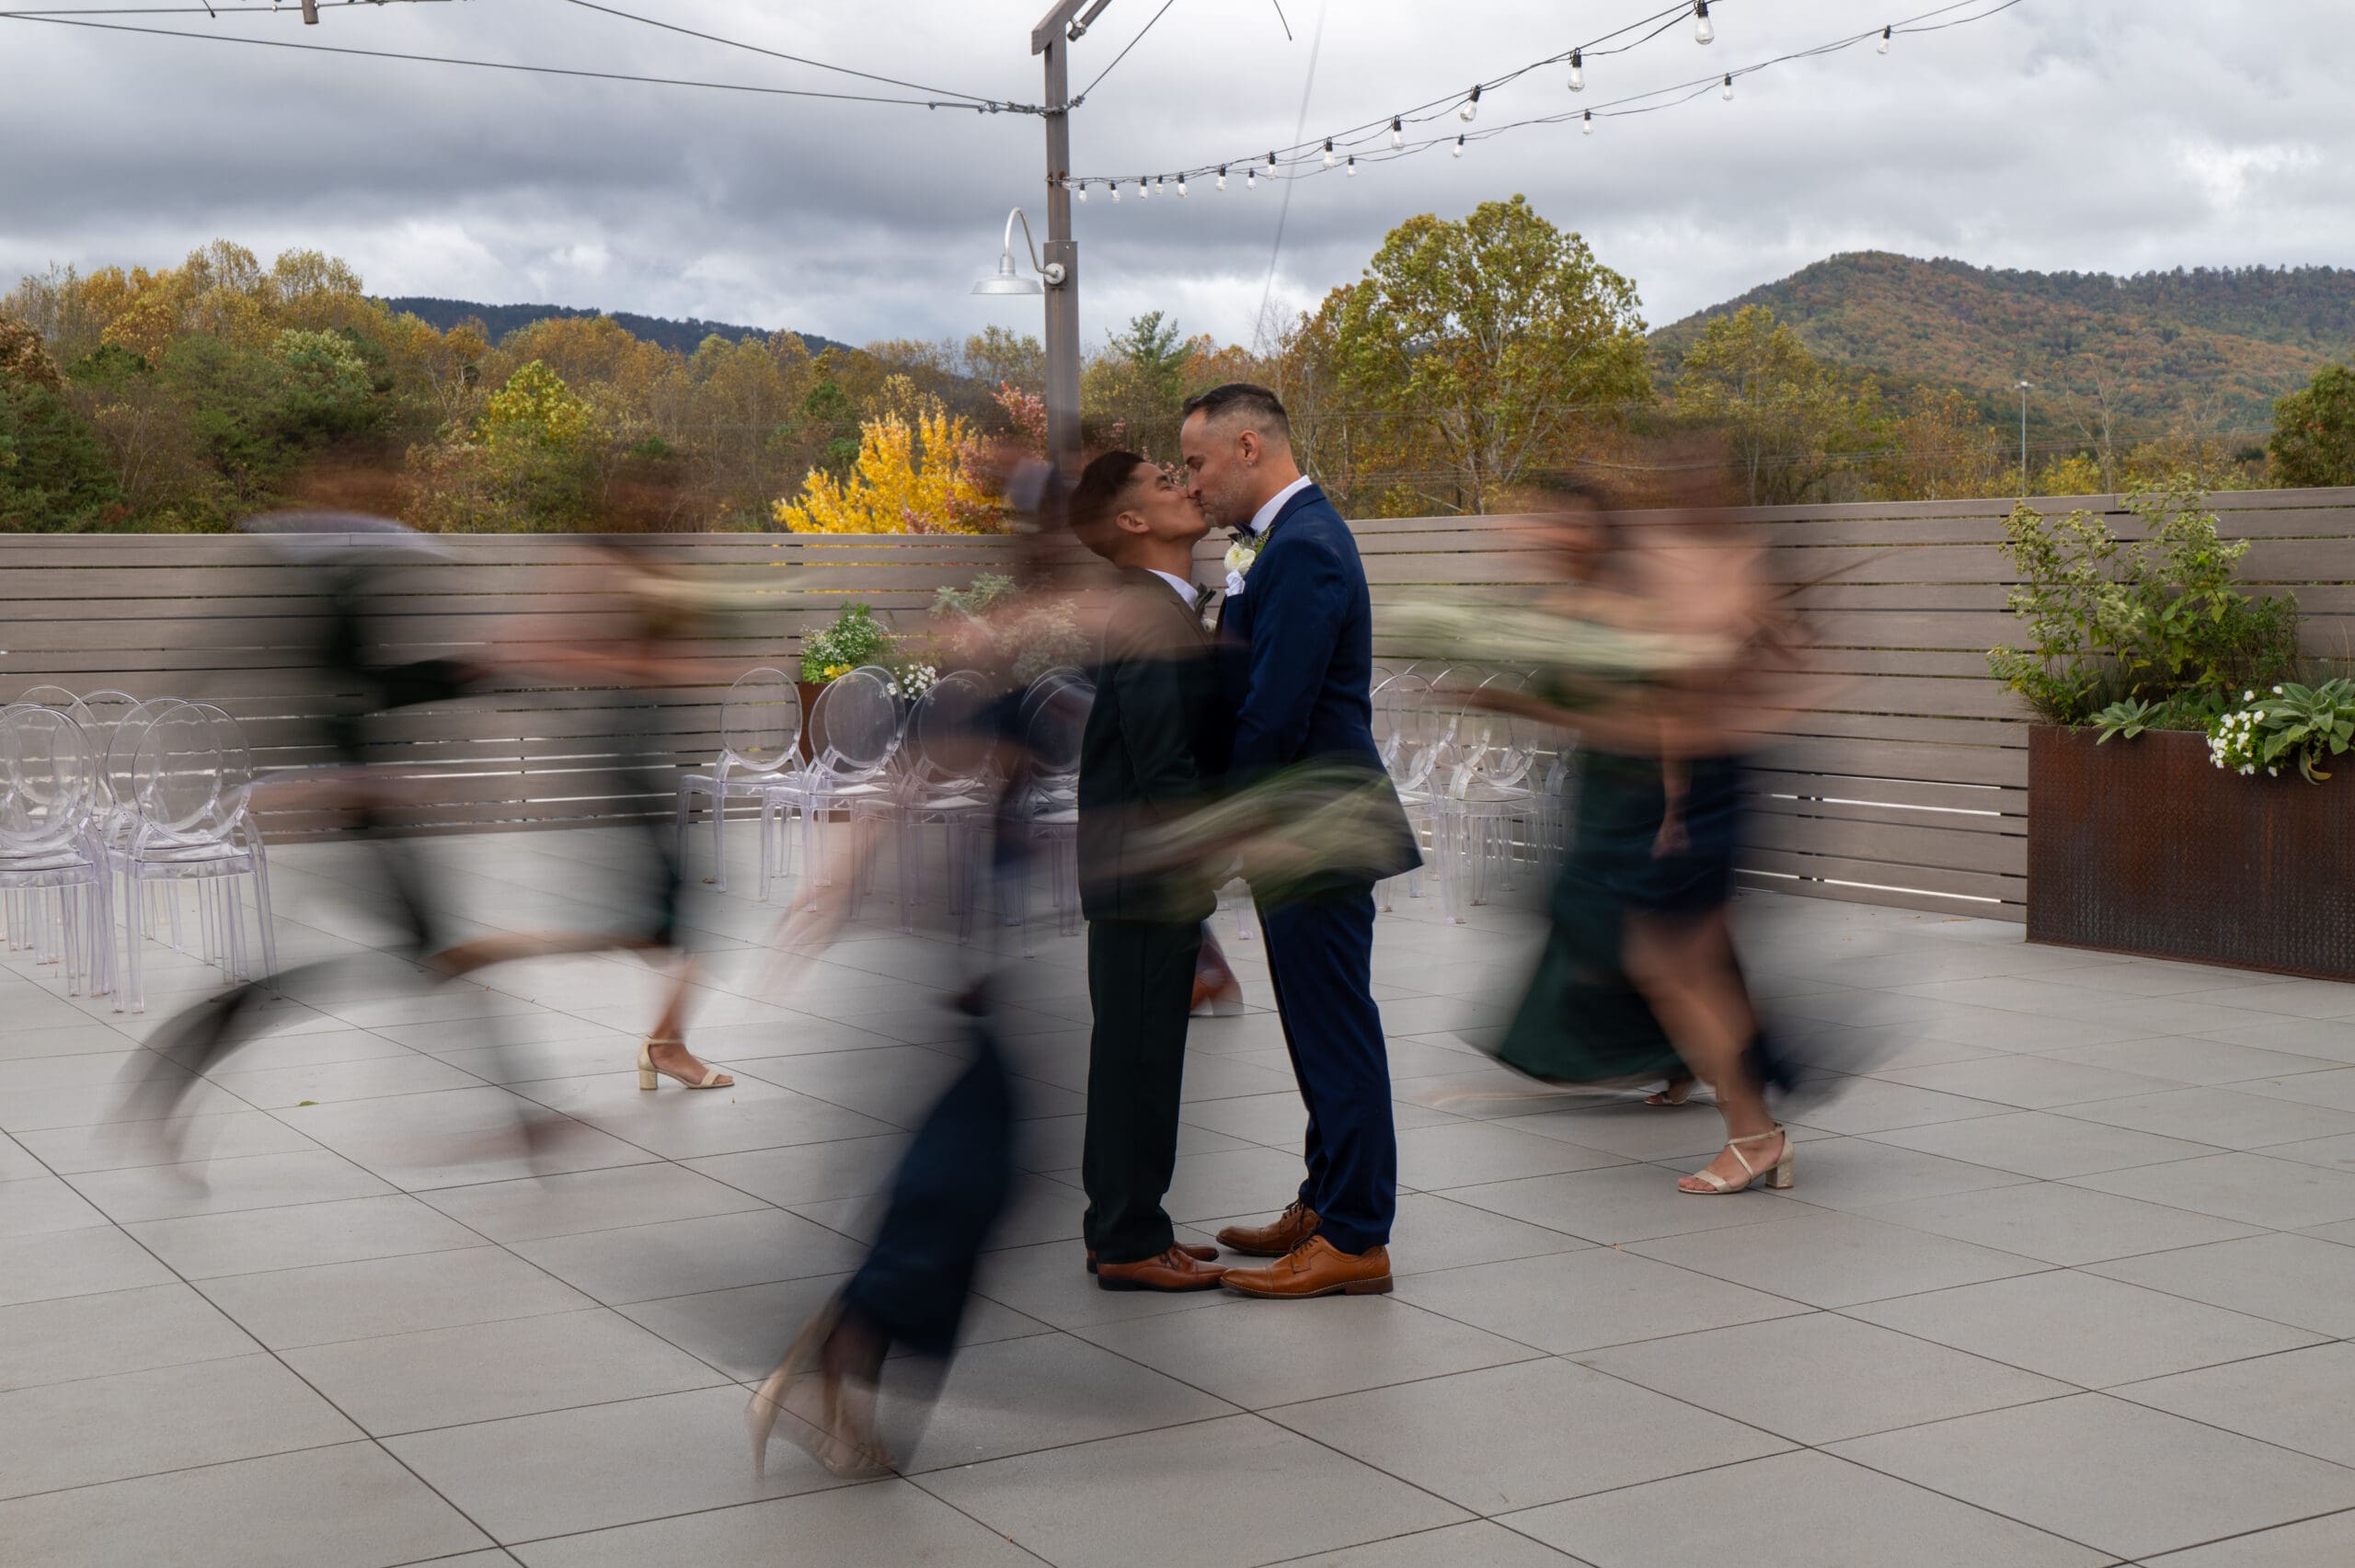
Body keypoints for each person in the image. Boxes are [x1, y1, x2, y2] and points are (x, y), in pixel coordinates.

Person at [1459, 486, 1799, 1195]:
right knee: (1672, 965)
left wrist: (1674, 806)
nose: (1546, 534)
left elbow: (1660, 708)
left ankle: (1754, 1129)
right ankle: (1738, 1111)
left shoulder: (1632, 601)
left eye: (1562, 520)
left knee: (1679, 966)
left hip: (1659, 795)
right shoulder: (1569, 607)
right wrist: (1505, 697)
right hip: (1631, 793)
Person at [1178, 383, 1419, 1299]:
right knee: (1320, 1023)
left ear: (1247, 447)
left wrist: (1223, 824)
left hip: (1315, 819)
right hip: (1303, 820)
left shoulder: (1308, 546)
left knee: (1335, 1028)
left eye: (1197, 463)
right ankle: (1324, 1201)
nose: (1193, 483)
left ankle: (1356, 1234)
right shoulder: (1275, 540)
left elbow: (1275, 708)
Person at [1065, 452, 1230, 1293]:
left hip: (1138, 869)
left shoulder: (1154, 607)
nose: (1188, 488)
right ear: (1131, 523)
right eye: (1168, 484)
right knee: (1137, 1058)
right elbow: (1164, 763)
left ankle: (1128, 1226)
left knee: (1137, 1055)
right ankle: (1129, 1238)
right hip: (1143, 872)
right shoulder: (1146, 613)